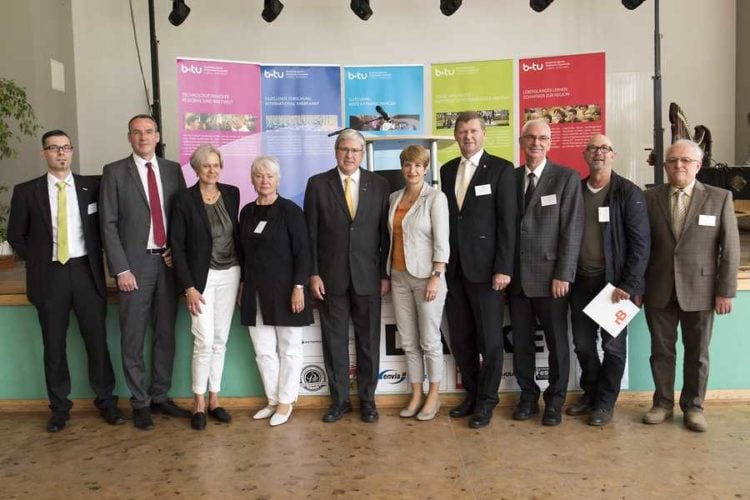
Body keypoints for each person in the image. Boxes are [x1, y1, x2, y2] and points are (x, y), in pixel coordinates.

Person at [7, 130, 124, 432]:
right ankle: (59, 407)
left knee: (96, 341)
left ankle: (106, 401)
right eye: (53, 148)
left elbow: (110, 224)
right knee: (54, 345)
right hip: (50, 276)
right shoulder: (26, 191)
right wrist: (37, 260)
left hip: (86, 271)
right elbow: (15, 235)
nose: (60, 153)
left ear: (72, 152)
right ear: (43, 153)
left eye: (65, 148)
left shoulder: (92, 187)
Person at [642, 139, 740, 432]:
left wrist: (725, 291)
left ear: (698, 165)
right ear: (665, 166)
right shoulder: (649, 198)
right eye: (673, 161)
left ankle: (694, 407)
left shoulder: (719, 197)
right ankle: (661, 403)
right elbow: (640, 245)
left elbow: (730, 248)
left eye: (685, 160)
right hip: (658, 288)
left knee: (697, 354)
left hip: (702, 290)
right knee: (661, 352)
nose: (679, 165)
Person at [100, 114, 189, 430]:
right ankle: (140, 403)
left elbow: (182, 216)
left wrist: (177, 252)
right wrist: (121, 268)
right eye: (136, 133)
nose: (143, 137)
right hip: (134, 268)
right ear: (129, 138)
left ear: (157, 135)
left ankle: (160, 396)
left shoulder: (172, 170)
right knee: (133, 337)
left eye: (148, 132)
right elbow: (107, 224)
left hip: (167, 265)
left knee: (166, 334)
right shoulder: (114, 173)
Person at [304, 129, 390, 424]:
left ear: (362, 153)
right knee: (334, 341)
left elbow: (385, 236)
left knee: (368, 342)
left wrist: (384, 274)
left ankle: (368, 400)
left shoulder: (379, 185)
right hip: (331, 278)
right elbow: (310, 235)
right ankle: (339, 400)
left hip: (368, 277)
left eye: (355, 150)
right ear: (336, 151)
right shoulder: (317, 184)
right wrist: (313, 273)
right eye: (344, 149)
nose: (349, 155)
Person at [439, 111, 517, 429]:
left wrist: (503, 267)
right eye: (462, 131)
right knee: (461, 339)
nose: (468, 136)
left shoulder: (501, 169)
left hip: (487, 273)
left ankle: (487, 401)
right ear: (455, 136)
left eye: (473, 131)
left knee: (490, 341)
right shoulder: (445, 170)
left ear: (484, 134)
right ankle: (471, 394)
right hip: (454, 271)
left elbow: (508, 223)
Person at [566, 134, 650, 426]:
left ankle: (605, 402)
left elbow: (641, 244)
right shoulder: (575, 190)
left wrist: (628, 284)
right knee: (582, 345)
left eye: (605, 148)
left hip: (614, 286)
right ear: (585, 155)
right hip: (581, 282)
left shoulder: (628, 192)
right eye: (593, 148)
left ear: (613, 155)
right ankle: (590, 393)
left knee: (612, 346)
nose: (599, 153)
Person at [508, 118, 583, 427]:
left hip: (553, 279)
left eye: (542, 138)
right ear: (521, 141)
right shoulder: (509, 179)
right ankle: (528, 397)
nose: (536, 143)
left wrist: (564, 274)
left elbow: (572, 230)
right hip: (517, 280)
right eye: (530, 137)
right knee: (522, 342)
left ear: (550, 143)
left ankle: (555, 401)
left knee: (557, 345)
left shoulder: (566, 178)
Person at [169, 144, 240, 431]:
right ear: (196, 169)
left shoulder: (232, 193)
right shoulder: (184, 200)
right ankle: (197, 403)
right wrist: (188, 286)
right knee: (204, 340)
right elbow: (178, 245)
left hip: (231, 273)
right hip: (201, 280)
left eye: (216, 165)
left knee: (221, 339)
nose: (212, 170)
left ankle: (214, 400)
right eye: (206, 165)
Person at [239, 156, 313, 427]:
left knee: (290, 349)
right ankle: (272, 399)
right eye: (259, 175)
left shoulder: (290, 211)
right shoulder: (246, 212)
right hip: (255, 293)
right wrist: (243, 285)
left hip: (286, 291)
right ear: (252, 179)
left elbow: (303, 252)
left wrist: (298, 287)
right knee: (263, 351)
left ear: (278, 180)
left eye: (269, 176)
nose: (264, 180)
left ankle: (286, 401)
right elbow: (243, 254)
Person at [387, 145, 449, 421]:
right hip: (398, 276)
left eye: (417, 166)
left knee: (429, 340)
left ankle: (434, 395)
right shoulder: (393, 197)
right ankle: (415, 394)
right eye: (407, 165)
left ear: (426, 169)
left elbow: (442, 242)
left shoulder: (435, 198)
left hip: (427, 278)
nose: (412, 170)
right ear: (402, 168)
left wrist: (436, 276)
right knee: (409, 341)